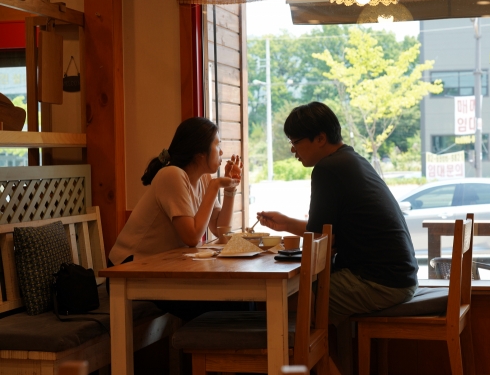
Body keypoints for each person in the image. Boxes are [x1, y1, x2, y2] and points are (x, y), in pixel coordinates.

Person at [258, 102, 419, 327]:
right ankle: (329, 362)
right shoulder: (351, 159)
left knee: (292, 300)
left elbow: (317, 240)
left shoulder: (328, 169)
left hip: (379, 283)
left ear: (321, 138)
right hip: (398, 277)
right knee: (305, 295)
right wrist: (285, 223)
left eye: (296, 142)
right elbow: (324, 233)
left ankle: (301, 363)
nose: (293, 150)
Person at [108, 117, 244, 319]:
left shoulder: (204, 178)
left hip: (161, 270)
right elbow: (192, 237)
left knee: (240, 299)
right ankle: (207, 351)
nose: (222, 152)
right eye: (217, 145)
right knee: (232, 303)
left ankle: (215, 351)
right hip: (130, 272)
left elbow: (220, 229)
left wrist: (230, 190)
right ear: (199, 154)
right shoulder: (171, 175)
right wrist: (215, 187)